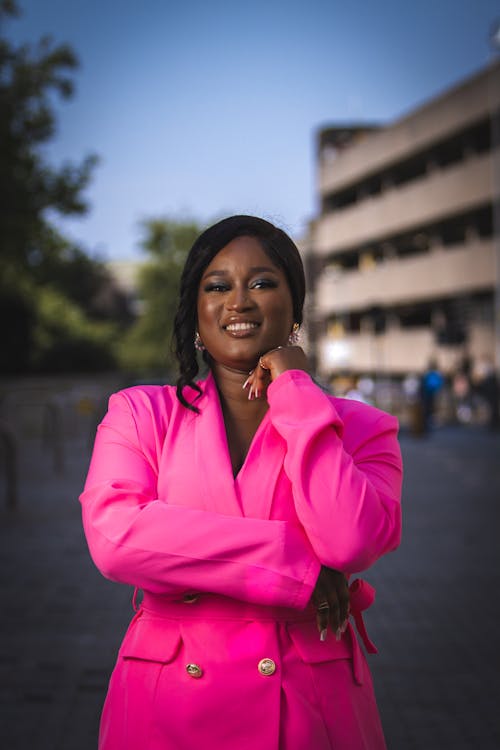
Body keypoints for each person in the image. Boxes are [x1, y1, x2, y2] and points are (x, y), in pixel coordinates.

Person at [80, 215, 403, 750]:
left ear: (295, 308)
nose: (239, 302)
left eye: (261, 282)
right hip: (166, 708)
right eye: (217, 286)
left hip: (308, 710)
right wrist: (295, 565)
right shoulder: (139, 413)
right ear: (195, 312)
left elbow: (351, 539)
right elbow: (116, 540)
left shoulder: (364, 427)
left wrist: (298, 392)